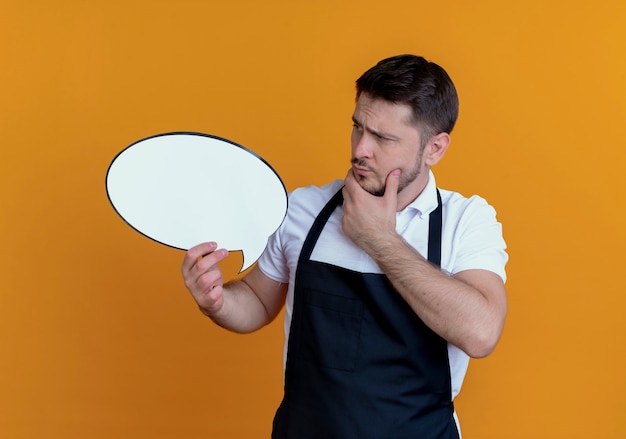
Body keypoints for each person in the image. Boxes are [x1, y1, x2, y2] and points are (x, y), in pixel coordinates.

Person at [181, 54, 508, 438]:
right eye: (358, 128)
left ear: (435, 148)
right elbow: (255, 301)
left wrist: (379, 239)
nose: (360, 150)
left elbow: (481, 332)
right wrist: (216, 301)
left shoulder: (465, 221)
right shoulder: (304, 209)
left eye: (383, 138)